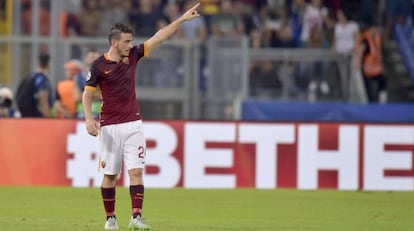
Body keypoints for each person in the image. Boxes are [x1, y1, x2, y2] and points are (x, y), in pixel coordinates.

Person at [82, 3, 200, 230]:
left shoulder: (134, 55)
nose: (130, 45)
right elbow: (87, 95)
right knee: (110, 175)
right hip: (109, 127)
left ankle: (136, 217)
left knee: (136, 172)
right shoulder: (99, 66)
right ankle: (110, 219)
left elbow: (159, 37)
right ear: (115, 42)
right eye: (126, 41)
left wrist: (182, 19)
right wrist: (89, 119)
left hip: (133, 124)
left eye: (131, 41)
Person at [356, 23, 387, 103]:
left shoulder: (377, 39)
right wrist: (358, 63)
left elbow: (380, 54)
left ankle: (382, 101)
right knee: (368, 88)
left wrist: (382, 66)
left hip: (376, 68)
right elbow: (361, 51)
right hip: (367, 69)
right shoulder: (366, 39)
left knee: (383, 81)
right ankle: (370, 103)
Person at [16, 53, 53, 118]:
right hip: (34, 116)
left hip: (24, 115)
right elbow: (43, 100)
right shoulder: (42, 79)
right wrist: (48, 120)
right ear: (48, 65)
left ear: (38, 63)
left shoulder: (29, 77)